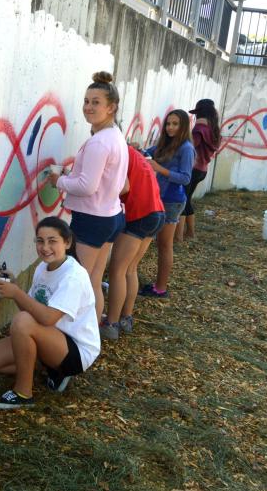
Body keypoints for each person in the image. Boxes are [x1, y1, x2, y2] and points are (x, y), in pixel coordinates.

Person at [0, 217, 99, 409]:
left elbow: (47, 318)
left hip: (75, 351)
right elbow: (31, 310)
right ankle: (46, 368)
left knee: (22, 322)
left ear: (67, 243)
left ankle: (23, 393)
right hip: (49, 336)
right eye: (40, 241)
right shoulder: (43, 267)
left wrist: (16, 293)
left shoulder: (74, 276)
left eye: (52, 241)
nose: (45, 247)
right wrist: (16, 288)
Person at [47, 71, 128, 322]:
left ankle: (78, 336)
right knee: (93, 281)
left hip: (92, 219)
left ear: (111, 107)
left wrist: (59, 181)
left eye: (96, 102)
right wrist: (73, 174)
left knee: (78, 282)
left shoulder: (99, 142)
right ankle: (93, 333)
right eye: (86, 101)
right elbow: (103, 180)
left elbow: (87, 186)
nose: (88, 107)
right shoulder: (115, 136)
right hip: (110, 216)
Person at [101, 142, 165, 339]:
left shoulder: (118, 153)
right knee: (130, 269)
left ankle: (111, 324)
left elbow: (122, 187)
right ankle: (126, 318)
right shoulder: (134, 154)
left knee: (117, 271)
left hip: (140, 214)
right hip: (156, 213)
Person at [139, 109, 194, 299]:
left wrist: (160, 169)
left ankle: (160, 288)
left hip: (172, 201)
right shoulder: (166, 143)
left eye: (175, 124)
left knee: (164, 245)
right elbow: (148, 153)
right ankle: (158, 285)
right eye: (168, 124)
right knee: (160, 244)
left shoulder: (186, 148)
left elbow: (186, 178)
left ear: (183, 126)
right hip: (161, 198)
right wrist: (138, 149)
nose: (170, 127)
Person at [175, 99, 221, 241]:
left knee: (182, 200)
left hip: (192, 169)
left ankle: (179, 236)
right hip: (202, 169)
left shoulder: (199, 129)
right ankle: (190, 233)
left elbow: (190, 148)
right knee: (187, 199)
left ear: (199, 113)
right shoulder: (213, 130)